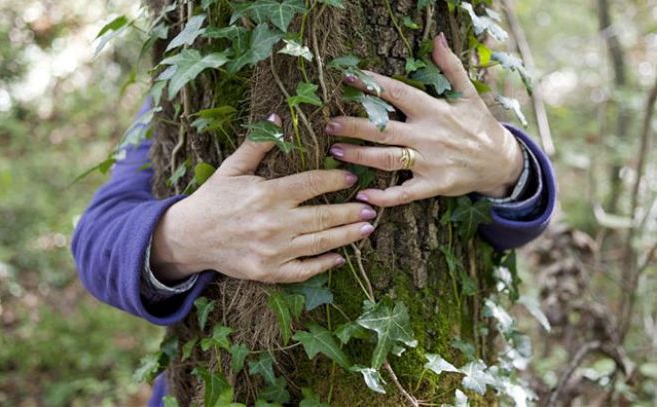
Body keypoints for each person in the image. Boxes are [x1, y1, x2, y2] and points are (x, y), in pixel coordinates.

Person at [71, 34, 556, 406]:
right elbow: (96, 237)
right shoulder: (189, 67)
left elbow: (507, 228)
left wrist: (506, 164)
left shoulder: (454, 48)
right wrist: (185, 236)